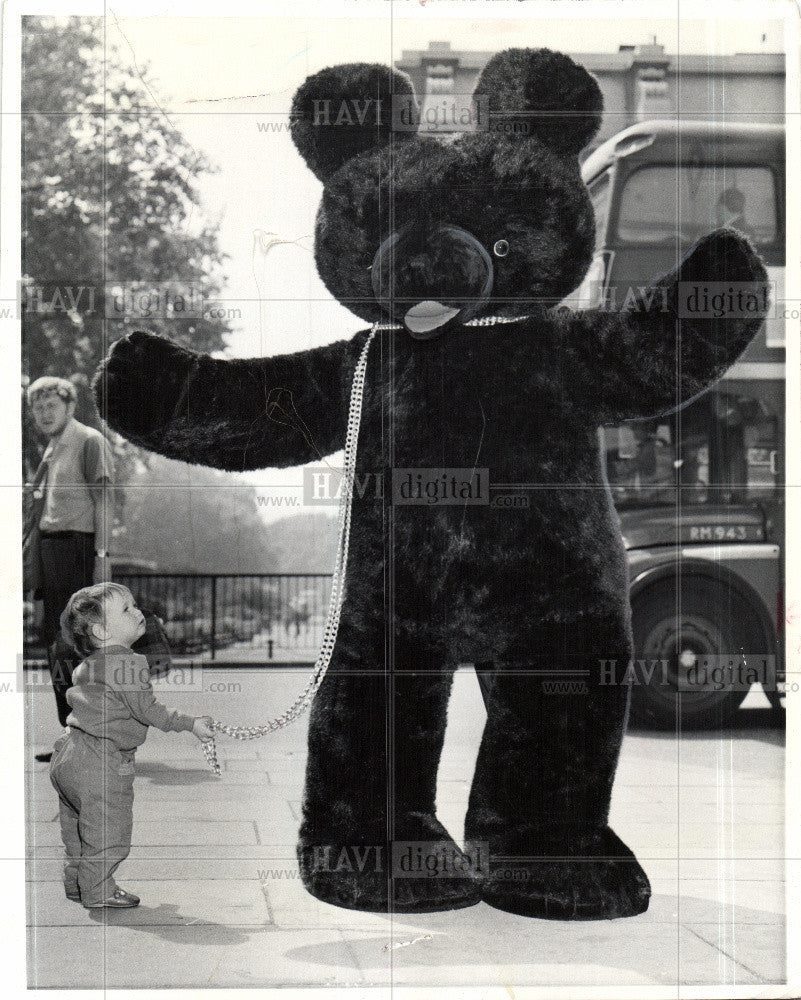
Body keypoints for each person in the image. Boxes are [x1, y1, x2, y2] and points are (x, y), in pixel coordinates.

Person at [49, 582, 215, 908]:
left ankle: (78, 885)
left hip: (67, 753)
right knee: (108, 835)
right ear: (101, 630)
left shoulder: (88, 664)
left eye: (134, 605)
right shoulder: (128, 663)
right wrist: (191, 723)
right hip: (102, 761)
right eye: (126, 609)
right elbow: (148, 710)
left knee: (78, 832)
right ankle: (98, 893)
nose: (138, 612)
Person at [26, 376, 114, 762]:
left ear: (70, 406)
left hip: (76, 548)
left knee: (80, 646)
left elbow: (104, 501)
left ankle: (96, 739)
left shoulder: (89, 441)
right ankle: (71, 735)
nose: (45, 413)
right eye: (38, 407)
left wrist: (101, 557)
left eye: (51, 406)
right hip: (49, 550)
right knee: (55, 646)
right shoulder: (52, 448)